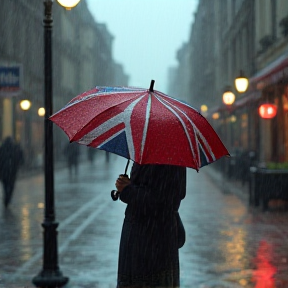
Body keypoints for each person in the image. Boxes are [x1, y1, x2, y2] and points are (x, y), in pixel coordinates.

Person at [115, 162, 186, 288]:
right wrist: (128, 185)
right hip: (144, 241)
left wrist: (128, 190)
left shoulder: (166, 160)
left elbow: (163, 200)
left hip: (149, 245)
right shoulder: (157, 156)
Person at [0, 137, 24, 207]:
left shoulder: (2, 148)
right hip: (12, 172)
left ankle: (6, 198)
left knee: (5, 186)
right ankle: (8, 198)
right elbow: (20, 158)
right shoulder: (15, 148)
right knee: (10, 186)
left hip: (4, 172)